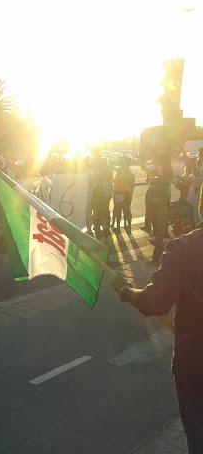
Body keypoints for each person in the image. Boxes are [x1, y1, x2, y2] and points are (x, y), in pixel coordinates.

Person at [118, 218, 203, 453]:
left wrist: (128, 293)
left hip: (194, 363)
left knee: (198, 435)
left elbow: (154, 302)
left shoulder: (185, 248)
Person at [151, 153, 174, 264]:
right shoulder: (164, 173)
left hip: (162, 204)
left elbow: (161, 186)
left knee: (160, 231)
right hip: (161, 203)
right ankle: (158, 257)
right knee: (160, 231)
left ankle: (156, 258)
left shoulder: (165, 174)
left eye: (162, 159)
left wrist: (156, 181)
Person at [112, 156, 135, 231]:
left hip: (121, 192)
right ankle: (128, 225)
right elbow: (132, 184)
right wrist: (131, 193)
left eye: (123, 161)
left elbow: (116, 180)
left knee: (119, 210)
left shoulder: (122, 170)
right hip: (126, 193)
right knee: (126, 210)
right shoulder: (130, 171)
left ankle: (119, 226)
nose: (122, 163)